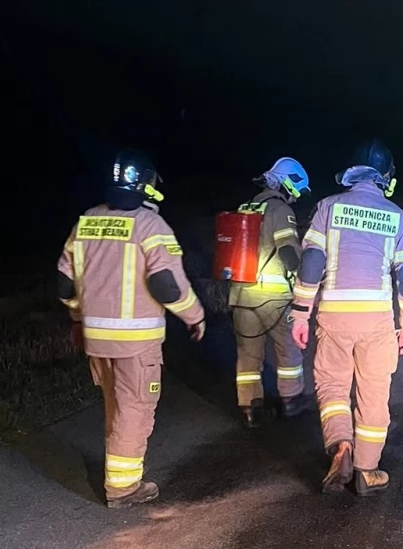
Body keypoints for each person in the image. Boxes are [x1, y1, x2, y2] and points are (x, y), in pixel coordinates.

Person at [57, 149, 205, 508]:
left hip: (97, 339)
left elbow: (64, 283)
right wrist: (195, 315)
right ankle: (123, 487)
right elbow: (167, 285)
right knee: (135, 409)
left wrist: (78, 319)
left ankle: (116, 474)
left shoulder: (86, 221)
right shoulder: (151, 226)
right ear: (147, 184)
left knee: (115, 406)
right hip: (136, 342)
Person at [290, 140, 403, 496]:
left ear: (351, 173)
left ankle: (341, 446)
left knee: (332, 385)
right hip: (377, 320)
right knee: (374, 392)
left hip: (333, 314)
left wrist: (301, 314)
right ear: (385, 177)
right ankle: (367, 470)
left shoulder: (328, 209)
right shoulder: (398, 217)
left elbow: (312, 263)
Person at [230, 158, 311, 427]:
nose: (295, 198)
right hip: (273, 298)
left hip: (242, 295)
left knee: (248, 354)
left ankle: (250, 408)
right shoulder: (279, 209)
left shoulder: (246, 206)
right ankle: (291, 400)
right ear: (288, 183)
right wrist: (302, 277)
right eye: (296, 192)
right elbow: (288, 250)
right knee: (288, 351)